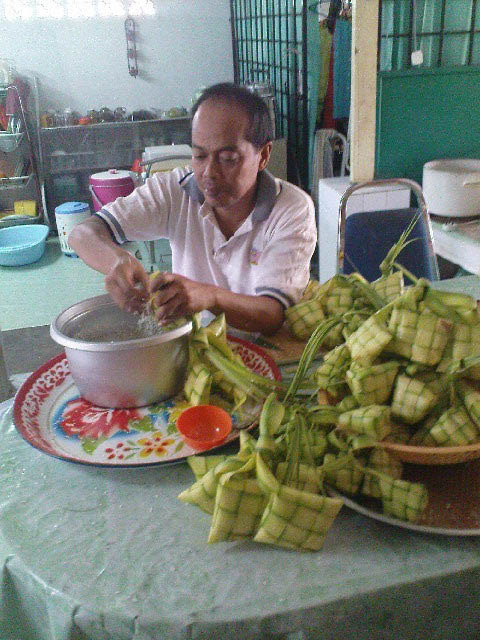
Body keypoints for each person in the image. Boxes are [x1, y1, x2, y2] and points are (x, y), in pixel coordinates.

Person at [69, 83, 317, 336]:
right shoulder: (175, 190)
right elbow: (82, 234)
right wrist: (116, 261)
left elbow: (271, 315)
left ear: (263, 155)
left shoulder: (290, 209)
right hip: (192, 346)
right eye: (199, 156)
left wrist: (210, 297)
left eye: (228, 159)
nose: (209, 173)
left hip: (266, 349)